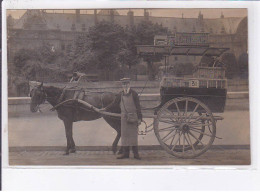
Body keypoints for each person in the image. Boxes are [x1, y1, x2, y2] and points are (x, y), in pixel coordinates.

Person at [103, 77, 142, 160]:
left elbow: (138, 106)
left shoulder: (134, 94)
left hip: (133, 117)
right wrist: (105, 109)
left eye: (127, 83)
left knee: (133, 136)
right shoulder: (120, 94)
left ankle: (136, 154)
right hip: (124, 118)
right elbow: (114, 104)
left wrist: (139, 118)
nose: (125, 85)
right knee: (125, 136)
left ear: (129, 84)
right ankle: (126, 154)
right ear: (122, 85)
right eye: (124, 84)